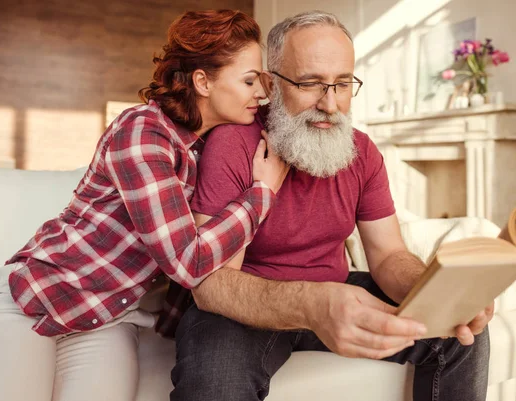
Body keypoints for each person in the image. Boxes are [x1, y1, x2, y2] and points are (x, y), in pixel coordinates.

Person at [0, 10, 288, 401]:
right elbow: (187, 260)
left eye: (261, 81)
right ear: (202, 81)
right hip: (36, 297)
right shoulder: (143, 132)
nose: (260, 93)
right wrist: (262, 193)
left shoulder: (206, 147)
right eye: (248, 81)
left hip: (110, 319)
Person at [169, 10, 492, 401]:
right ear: (271, 84)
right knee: (213, 380)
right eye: (310, 83)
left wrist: (437, 293)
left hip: (334, 294)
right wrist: (311, 303)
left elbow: (388, 254)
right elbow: (212, 285)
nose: (330, 104)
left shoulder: (363, 152)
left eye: (342, 84)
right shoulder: (232, 145)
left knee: (462, 332)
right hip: (247, 308)